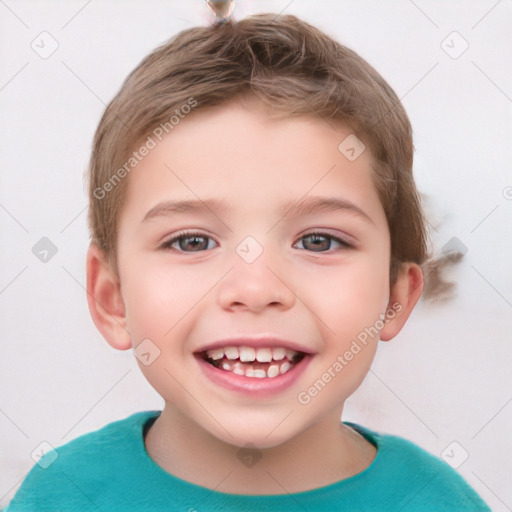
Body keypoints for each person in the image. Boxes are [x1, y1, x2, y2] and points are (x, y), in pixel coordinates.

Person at [6, 12, 490, 511]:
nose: (256, 288)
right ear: (112, 298)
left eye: (319, 241)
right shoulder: (63, 496)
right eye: (191, 242)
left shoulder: (436, 502)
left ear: (394, 296)